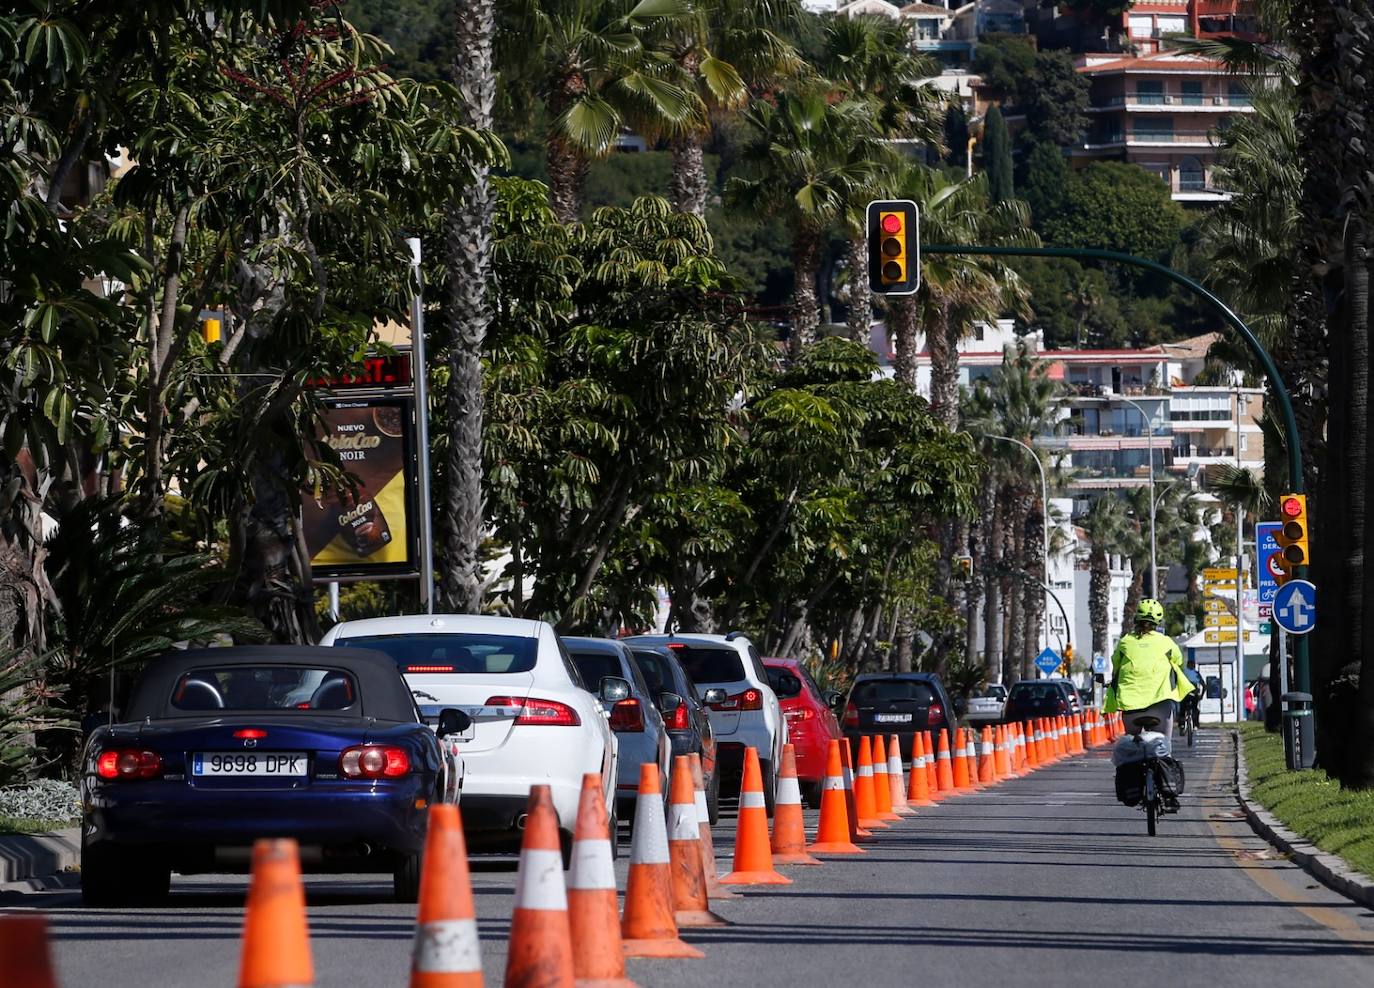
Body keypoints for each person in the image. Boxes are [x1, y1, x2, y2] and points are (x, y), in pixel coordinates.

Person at [1104, 598, 1194, 755]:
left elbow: (1115, 664)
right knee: (1164, 747)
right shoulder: (1166, 642)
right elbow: (1179, 661)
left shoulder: (1125, 642)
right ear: (1158, 622)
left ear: (1136, 619)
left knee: (1132, 747)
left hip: (1130, 706)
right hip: (1160, 704)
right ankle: (1165, 765)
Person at [1179, 658, 1205, 732]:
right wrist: (1201, 695)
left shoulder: (1183, 673)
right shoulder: (1196, 674)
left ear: (1187, 665)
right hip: (1194, 694)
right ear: (1194, 666)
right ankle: (1195, 725)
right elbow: (1204, 685)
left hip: (1184, 694)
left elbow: (1178, 684)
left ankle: (1181, 724)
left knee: (1182, 709)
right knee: (1195, 709)